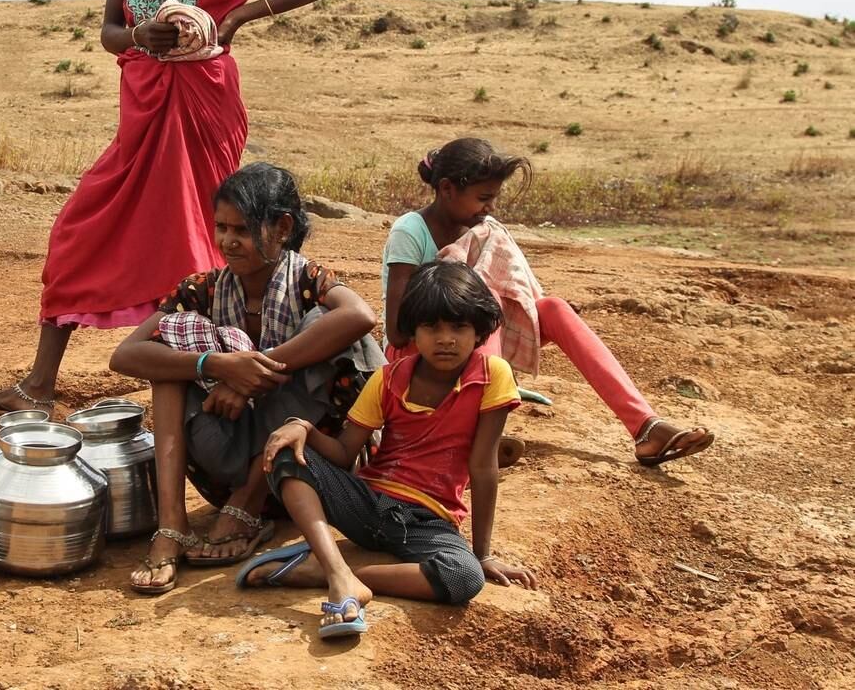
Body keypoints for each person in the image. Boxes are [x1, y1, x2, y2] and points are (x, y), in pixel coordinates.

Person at [0, 0, 334, 417]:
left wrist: (235, 19)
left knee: (200, 235)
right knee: (80, 231)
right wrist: (141, 34)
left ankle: (213, 385)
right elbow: (109, 32)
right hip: (143, 103)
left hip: (204, 101)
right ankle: (38, 387)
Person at [108, 164, 379, 595]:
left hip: (303, 467)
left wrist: (260, 369)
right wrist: (216, 366)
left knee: (329, 330)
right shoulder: (203, 289)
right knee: (167, 362)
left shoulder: (308, 281)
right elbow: (125, 355)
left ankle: (247, 505)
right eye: (221, 227)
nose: (228, 241)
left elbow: (361, 316)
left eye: (244, 230)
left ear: (283, 228)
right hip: (224, 452)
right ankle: (172, 524)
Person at [246, 261, 537, 641]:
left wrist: (482, 556)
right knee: (286, 455)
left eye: (458, 327)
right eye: (432, 327)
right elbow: (343, 454)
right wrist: (302, 428)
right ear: (413, 331)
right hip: (368, 504)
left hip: (430, 521)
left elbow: (483, 468)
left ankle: (342, 575)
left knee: (464, 576)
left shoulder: (491, 375)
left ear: (479, 330)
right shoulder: (388, 378)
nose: (445, 338)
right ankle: (337, 573)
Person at [382, 137, 714, 467]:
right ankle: (478, 435)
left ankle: (645, 427)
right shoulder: (411, 231)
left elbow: (523, 300)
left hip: (474, 346)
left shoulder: (485, 230)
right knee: (489, 299)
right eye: (483, 198)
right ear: (447, 189)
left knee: (553, 308)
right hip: (417, 353)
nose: (490, 208)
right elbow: (397, 333)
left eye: (494, 198)